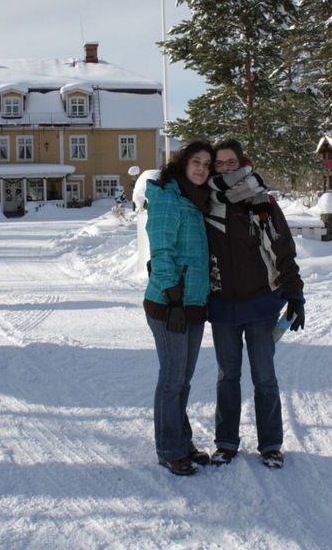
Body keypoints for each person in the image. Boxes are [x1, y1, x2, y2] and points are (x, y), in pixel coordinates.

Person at [204, 139, 305, 469]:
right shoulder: (204, 204)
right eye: (219, 163)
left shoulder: (261, 201)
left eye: (231, 162)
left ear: (242, 162)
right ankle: (226, 443)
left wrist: (295, 295)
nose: (225, 168)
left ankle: (271, 444)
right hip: (221, 306)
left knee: (264, 377)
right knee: (227, 376)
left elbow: (282, 249)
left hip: (261, 304)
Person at [143, 141, 214, 475]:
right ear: (182, 164)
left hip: (194, 302)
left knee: (183, 380)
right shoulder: (168, 199)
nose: (201, 168)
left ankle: (182, 442)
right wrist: (173, 298)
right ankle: (169, 449)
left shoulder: (196, 200)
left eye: (207, 164)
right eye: (196, 161)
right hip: (169, 303)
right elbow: (162, 252)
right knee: (172, 380)